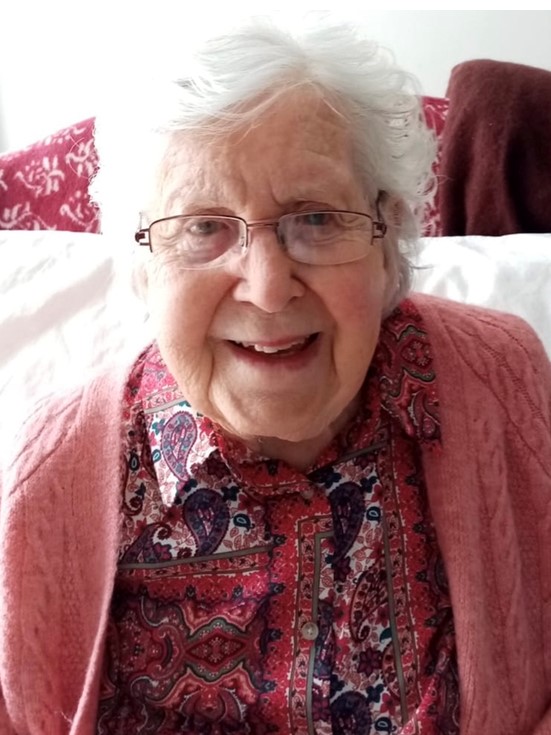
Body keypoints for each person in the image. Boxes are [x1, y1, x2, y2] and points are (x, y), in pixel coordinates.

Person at [1, 17, 551, 735]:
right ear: (143, 260)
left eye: (316, 218)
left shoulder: (502, 379)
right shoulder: (53, 474)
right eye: (203, 226)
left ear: (388, 234)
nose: (265, 288)